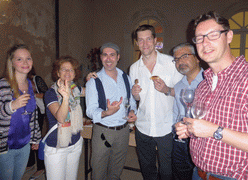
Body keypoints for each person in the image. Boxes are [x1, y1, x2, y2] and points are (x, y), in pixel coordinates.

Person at [175, 11, 248, 180]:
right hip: (198, 173)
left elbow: (212, 130)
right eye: (199, 38)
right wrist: (190, 130)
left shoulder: (245, 79)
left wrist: (215, 131)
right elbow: (204, 129)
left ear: (229, 36)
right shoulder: (203, 85)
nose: (205, 43)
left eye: (213, 35)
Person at [129, 24, 183, 180]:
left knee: (167, 172)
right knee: (148, 171)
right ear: (136, 43)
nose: (145, 44)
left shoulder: (171, 63)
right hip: (143, 127)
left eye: (148, 39)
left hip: (166, 127)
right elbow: (138, 99)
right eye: (141, 40)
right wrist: (135, 94)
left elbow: (182, 93)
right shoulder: (134, 68)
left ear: (155, 40)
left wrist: (167, 89)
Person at [85, 42, 137, 180]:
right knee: (98, 171)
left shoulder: (126, 77)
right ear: (100, 57)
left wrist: (132, 111)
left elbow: (131, 101)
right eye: (105, 55)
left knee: (116, 171)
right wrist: (106, 112)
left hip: (123, 131)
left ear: (118, 57)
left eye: (112, 55)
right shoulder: (93, 80)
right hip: (103, 131)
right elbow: (90, 111)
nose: (108, 59)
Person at [0, 44, 41, 180]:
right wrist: (11, 106)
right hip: (3, 146)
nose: (25, 63)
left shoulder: (30, 85)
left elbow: (32, 115)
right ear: (12, 63)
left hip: (24, 145)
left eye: (28, 58)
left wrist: (35, 137)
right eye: (19, 59)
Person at [44, 56, 84, 180]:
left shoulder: (75, 89)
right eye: (64, 69)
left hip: (75, 143)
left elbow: (93, 91)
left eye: (71, 70)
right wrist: (65, 98)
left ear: (75, 74)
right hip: (57, 147)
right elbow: (61, 118)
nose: (67, 72)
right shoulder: (50, 93)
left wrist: (93, 79)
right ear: (57, 72)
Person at [171, 43, 204, 180]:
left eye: (185, 56)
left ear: (197, 58)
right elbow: (176, 113)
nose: (180, 62)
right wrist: (174, 130)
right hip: (181, 141)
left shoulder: (210, 82)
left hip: (203, 140)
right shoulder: (178, 86)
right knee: (179, 174)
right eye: (177, 59)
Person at [26, 68, 48, 179]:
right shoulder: (19, 80)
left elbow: (47, 94)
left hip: (38, 112)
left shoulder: (36, 79)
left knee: (38, 139)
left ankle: (41, 167)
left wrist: (33, 94)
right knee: (29, 138)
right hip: (27, 111)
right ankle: (30, 163)